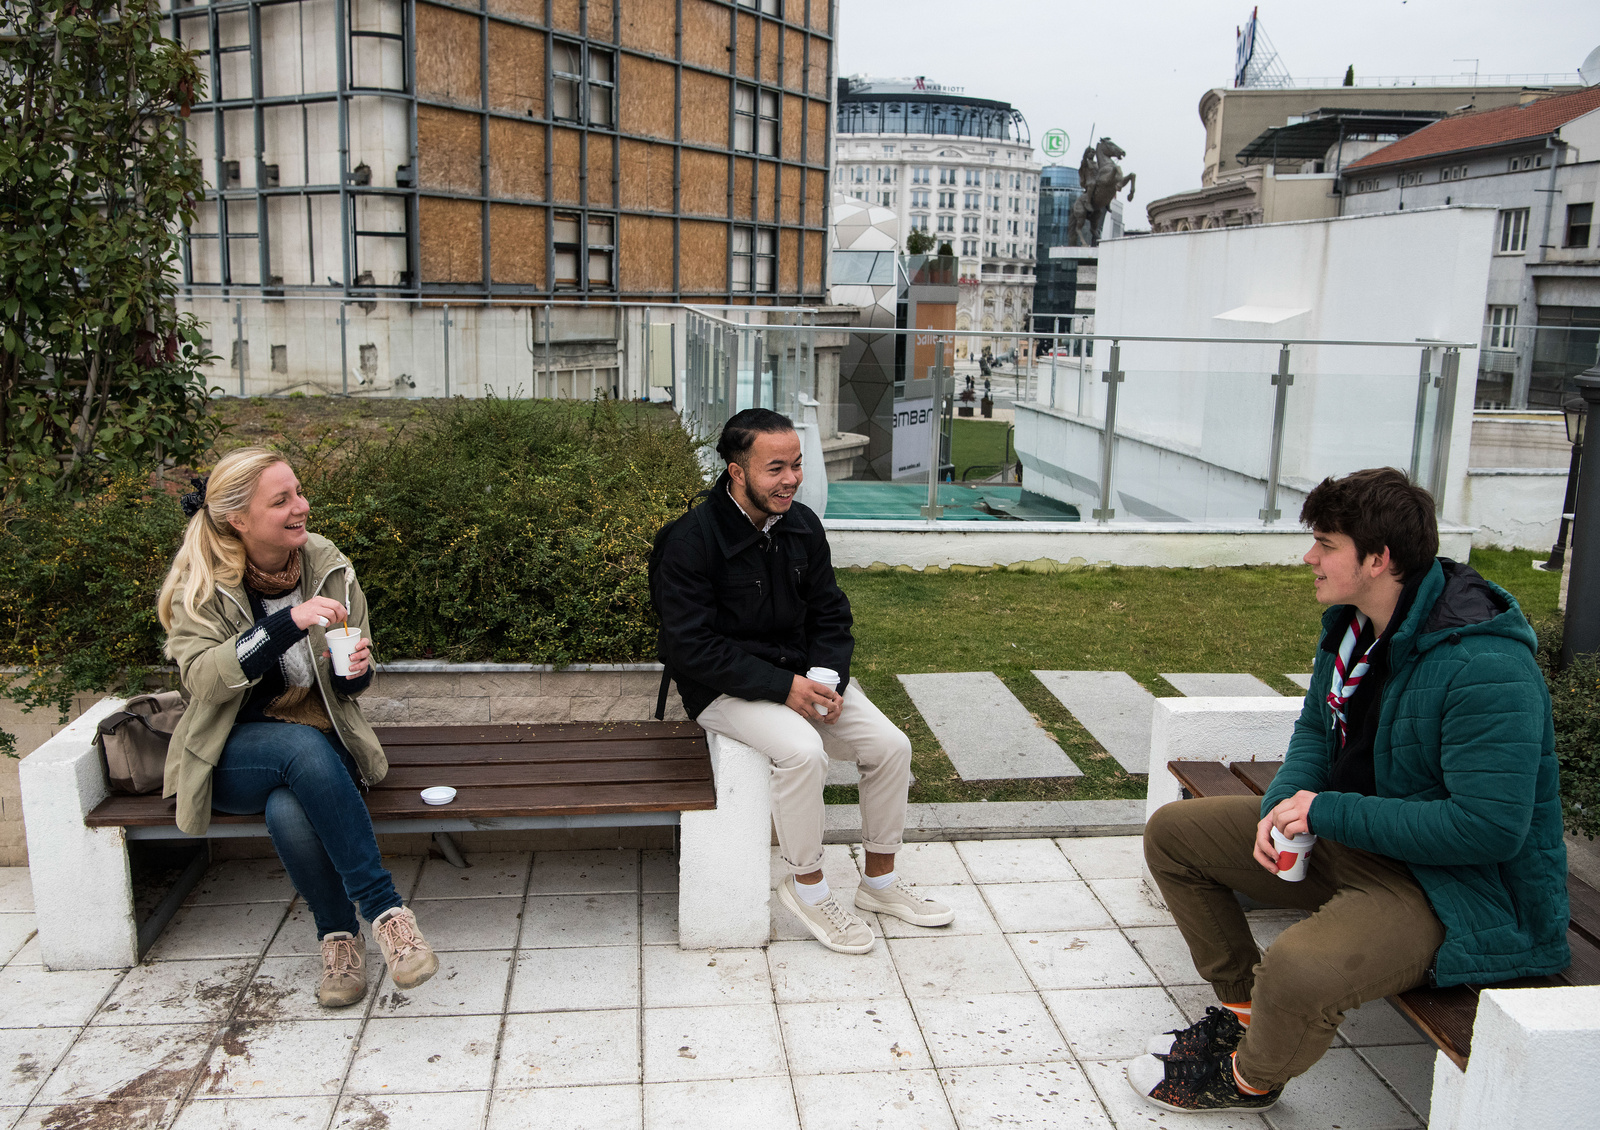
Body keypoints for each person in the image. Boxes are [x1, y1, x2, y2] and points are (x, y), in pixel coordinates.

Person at [1129, 467, 1568, 1114]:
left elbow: (1487, 829)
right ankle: (1247, 1012)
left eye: (1326, 544)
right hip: (1356, 836)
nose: (1310, 557)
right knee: (1174, 835)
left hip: (1450, 886)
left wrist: (1325, 810)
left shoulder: (1486, 668)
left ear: (1379, 559)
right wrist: (1287, 804)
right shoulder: (1355, 626)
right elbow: (1317, 727)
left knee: (1299, 968)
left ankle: (1249, 1077)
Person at [653, 408, 953, 953]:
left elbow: (831, 617)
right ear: (735, 470)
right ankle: (807, 885)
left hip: (802, 678)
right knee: (802, 753)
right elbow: (689, 647)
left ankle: (880, 884)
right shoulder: (689, 540)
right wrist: (782, 687)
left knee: (890, 746)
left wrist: (823, 679)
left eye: (796, 465)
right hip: (722, 688)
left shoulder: (803, 525)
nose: (791, 479)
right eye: (775, 468)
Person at [158, 447, 439, 1008]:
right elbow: (202, 683)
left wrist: (358, 672)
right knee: (296, 745)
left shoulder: (326, 562)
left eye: (299, 492)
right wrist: (287, 622)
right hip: (232, 750)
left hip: (321, 750)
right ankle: (387, 915)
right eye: (281, 500)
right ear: (239, 519)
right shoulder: (202, 584)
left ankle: (338, 940)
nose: (300, 507)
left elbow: (353, 668)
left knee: (291, 800)